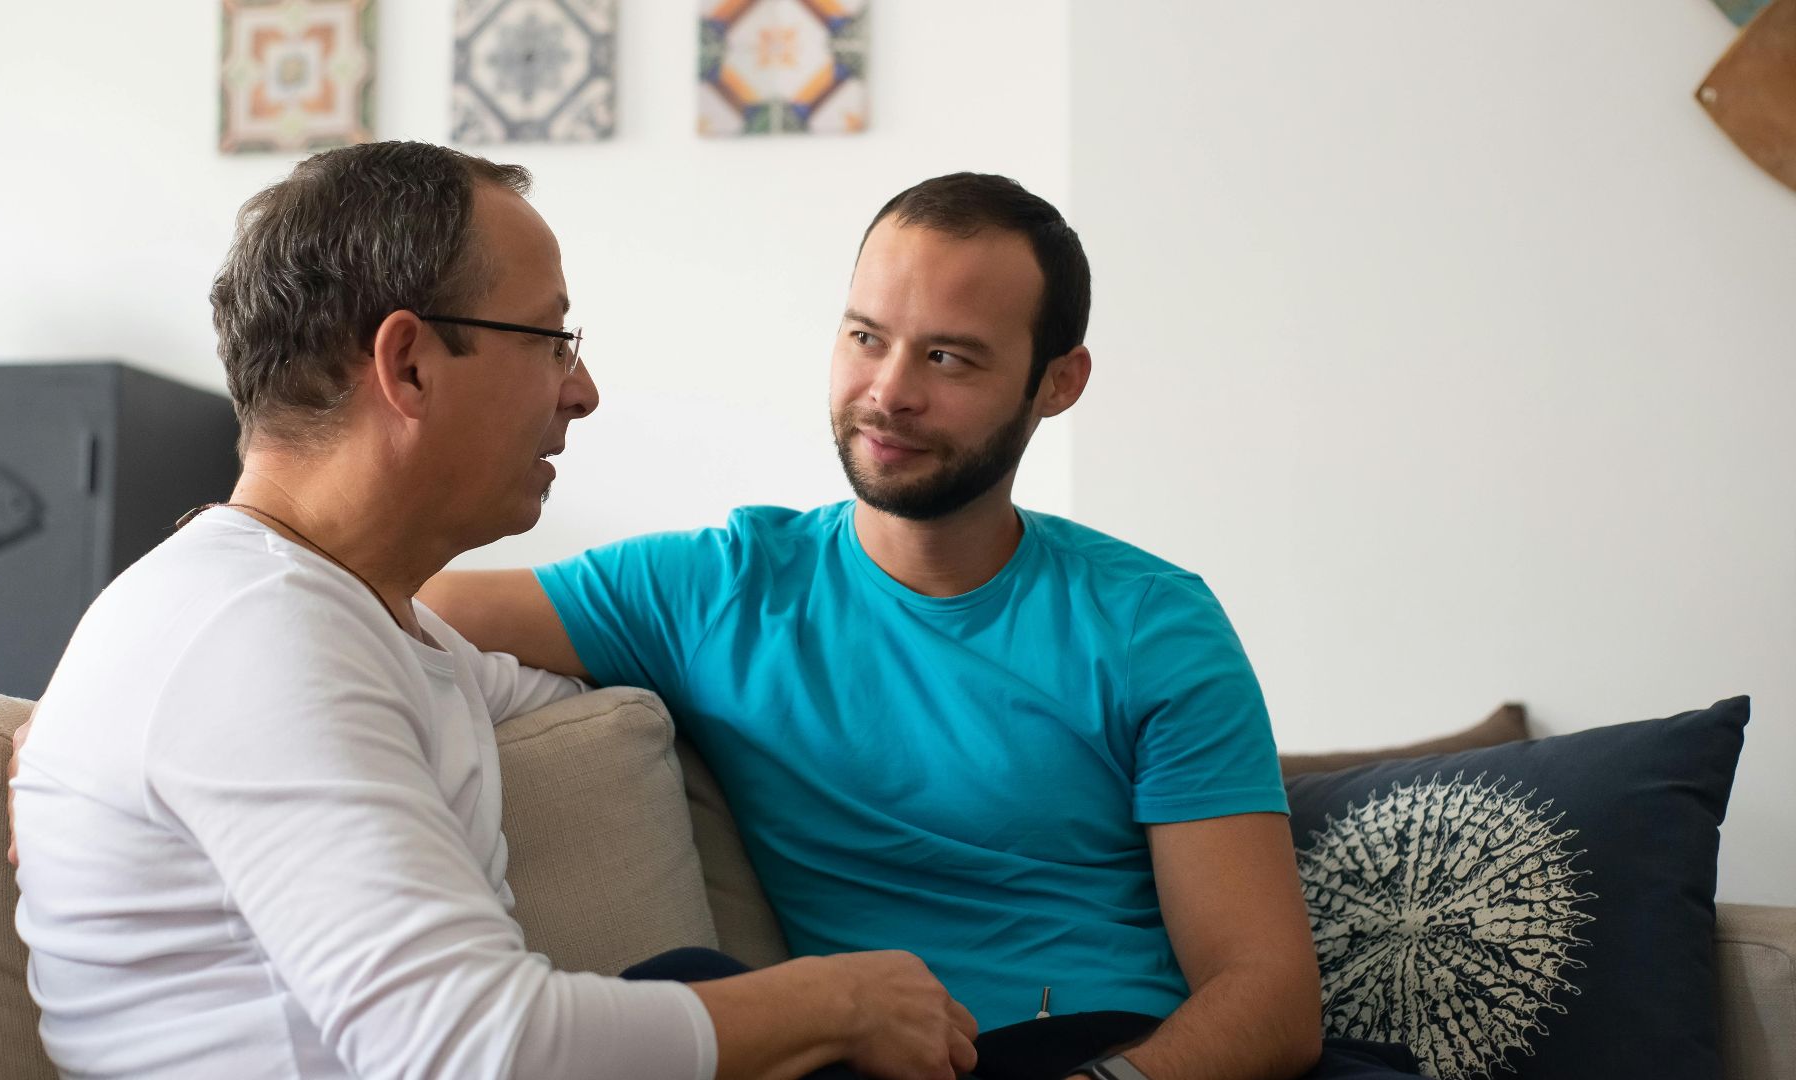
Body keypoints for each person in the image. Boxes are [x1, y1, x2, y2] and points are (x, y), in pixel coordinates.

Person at [8, 141, 978, 1080]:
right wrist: (840, 1002)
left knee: (694, 985)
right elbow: (473, 1052)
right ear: (410, 365)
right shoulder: (256, 637)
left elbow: (558, 694)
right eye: (552, 339)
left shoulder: (339, 625)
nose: (583, 391)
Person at [420, 174, 1420, 1080]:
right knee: (675, 983)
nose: (890, 392)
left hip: (1128, 1059)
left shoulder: (1152, 620)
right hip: (889, 1061)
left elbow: (1267, 1000)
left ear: (1057, 383)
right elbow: (402, 603)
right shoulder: (716, 589)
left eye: (948, 357)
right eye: (866, 337)